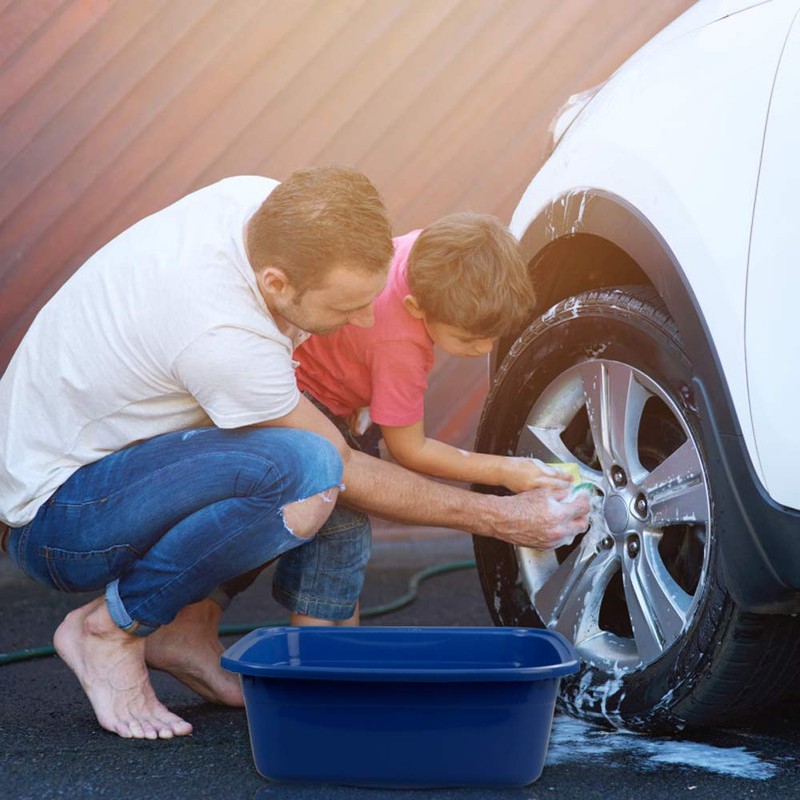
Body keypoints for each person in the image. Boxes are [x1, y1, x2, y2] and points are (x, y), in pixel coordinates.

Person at [0, 167, 589, 742]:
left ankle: (186, 630)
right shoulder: (223, 337)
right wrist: (500, 516)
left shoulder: (260, 205)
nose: (365, 319)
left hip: (91, 465)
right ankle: (112, 628)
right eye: (346, 308)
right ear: (277, 283)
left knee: (311, 478)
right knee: (308, 472)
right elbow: (342, 467)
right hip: (60, 521)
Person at [295, 212, 567, 490]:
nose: (486, 347)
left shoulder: (429, 252)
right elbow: (410, 450)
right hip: (306, 398)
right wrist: (504, 470)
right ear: (415, 307)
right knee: (356, 499)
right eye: (467, 338)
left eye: (493, 336)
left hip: (319, 359)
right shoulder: (400, 349)